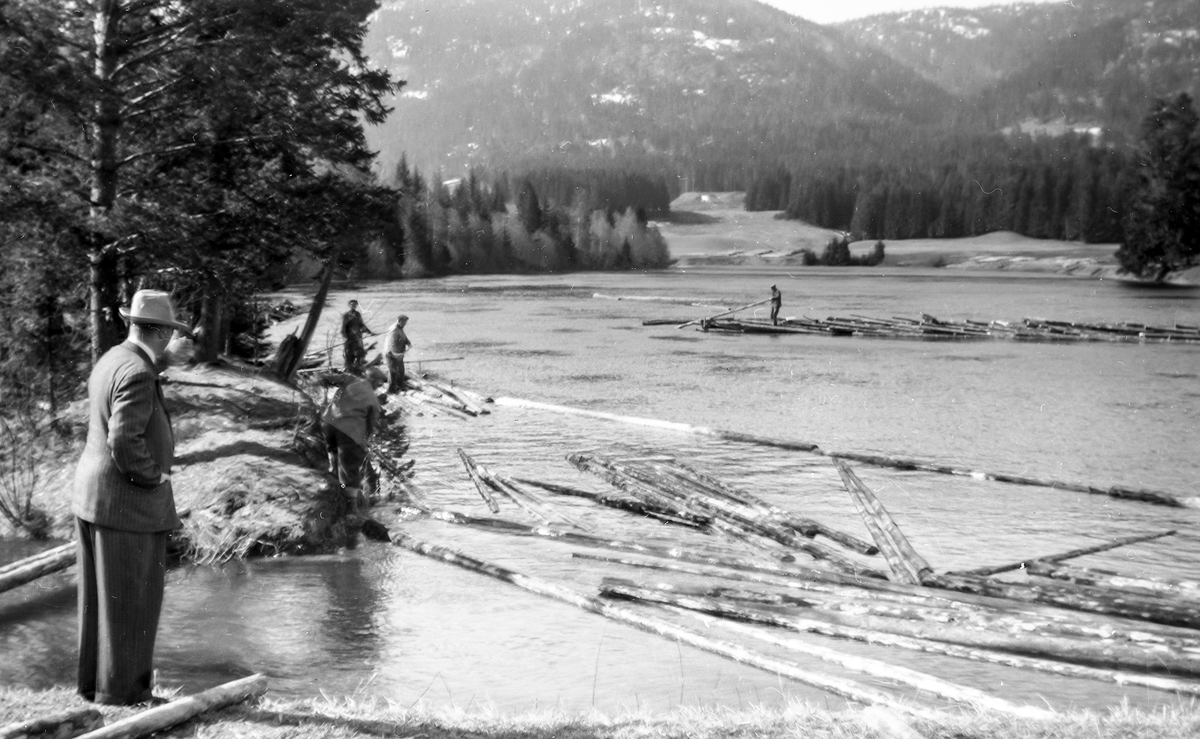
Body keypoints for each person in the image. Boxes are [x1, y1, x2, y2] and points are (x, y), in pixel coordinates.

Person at [72, 289, 189, 705]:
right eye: (169, 333)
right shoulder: (138, 371)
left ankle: (97, 686)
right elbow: (124, 439)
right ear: (158, 333)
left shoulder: (112, 358)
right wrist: (153, 477)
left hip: (94, 497)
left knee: (99, 605)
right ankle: (126, 697)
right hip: (126, 504)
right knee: (134, 602)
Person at [320, 368, 383, 517]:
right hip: (349, 431)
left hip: (328, 424)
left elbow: (327, 378)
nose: (379, 387)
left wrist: (324, 381)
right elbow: (371, 426)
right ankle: (351, 510)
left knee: (334, 454)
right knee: (351, 468)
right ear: (374, 381)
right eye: (379, 384)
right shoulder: (373, 401)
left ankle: (333, 481)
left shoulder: (350, 379)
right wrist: (364, 443)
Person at [340, 299, 374, 372]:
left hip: (358, 338)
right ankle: (348, 369)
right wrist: (346, 338)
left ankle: (358, 368)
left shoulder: (357, 314)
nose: (354, 306)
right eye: (352, 304)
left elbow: (361, 325)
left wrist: (370, 332)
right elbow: (343, 328)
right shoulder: (346, 315)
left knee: (360, 353)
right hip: (350, 338)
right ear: (349, 305)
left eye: (355, 305)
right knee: (349, 354)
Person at [384, 314, 413, 393]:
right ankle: (391, 390)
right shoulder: (394, 330)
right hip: (392, 354)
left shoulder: (400, 328)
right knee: (393, 371)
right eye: (404, 323)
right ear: (399, 321)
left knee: (401, 370)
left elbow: (403, 336)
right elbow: (391, 343)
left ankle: (400, 386)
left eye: (406, 323)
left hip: (399, 354)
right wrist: (395, 354)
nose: (405, 324)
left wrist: (408, 343)